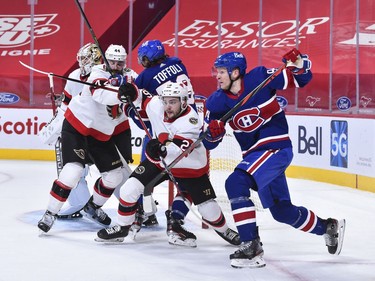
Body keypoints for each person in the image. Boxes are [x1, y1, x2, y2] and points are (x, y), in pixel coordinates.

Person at [202, 50, 346, 268]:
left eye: (222, 71)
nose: (217, 76)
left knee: (236, 182)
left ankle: (251, 245)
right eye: (217, 72)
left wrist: (299, 63)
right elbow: (209, 144)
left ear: (236, 72)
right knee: (281, 211)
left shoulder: (259, 77)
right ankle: (328, 227)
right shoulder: (216, 103)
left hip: (276, 147)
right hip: (255, 156)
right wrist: (214, 133)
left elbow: (301, 78)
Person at [95, 81, 241, 248]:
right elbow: (141, 98)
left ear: (184, 102)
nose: (168, 106)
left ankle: (224, 230)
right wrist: (131, 91)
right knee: (129, 189)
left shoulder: (191, 123)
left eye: (173, 102)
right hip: (160, 163)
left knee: (209, 210)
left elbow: (175, 153)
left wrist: (159, 151)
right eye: (166, 101)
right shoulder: (157, 105)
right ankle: (122, 228)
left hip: (189, 167)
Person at [37, 44, 139, 233]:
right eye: (112, 61)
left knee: (115, 175)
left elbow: (141, 97)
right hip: (77, 127)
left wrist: (135, 92)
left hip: (101, 134)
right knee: (73, 170)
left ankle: (92, 206)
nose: (116, 65)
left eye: (120, 62)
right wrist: (122, 93)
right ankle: (50, 213)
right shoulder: (97, 72)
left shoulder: (130, 76)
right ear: (105, 61)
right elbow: (101, 95)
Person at [127, 39, 197, 230]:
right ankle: (176, 213)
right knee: (191, 175)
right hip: (190, 123)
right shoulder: (178, 63)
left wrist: (128, 103)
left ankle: (142, 211)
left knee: (145, 172)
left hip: (166, 129)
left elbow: (134, 101)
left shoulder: (145, 76)